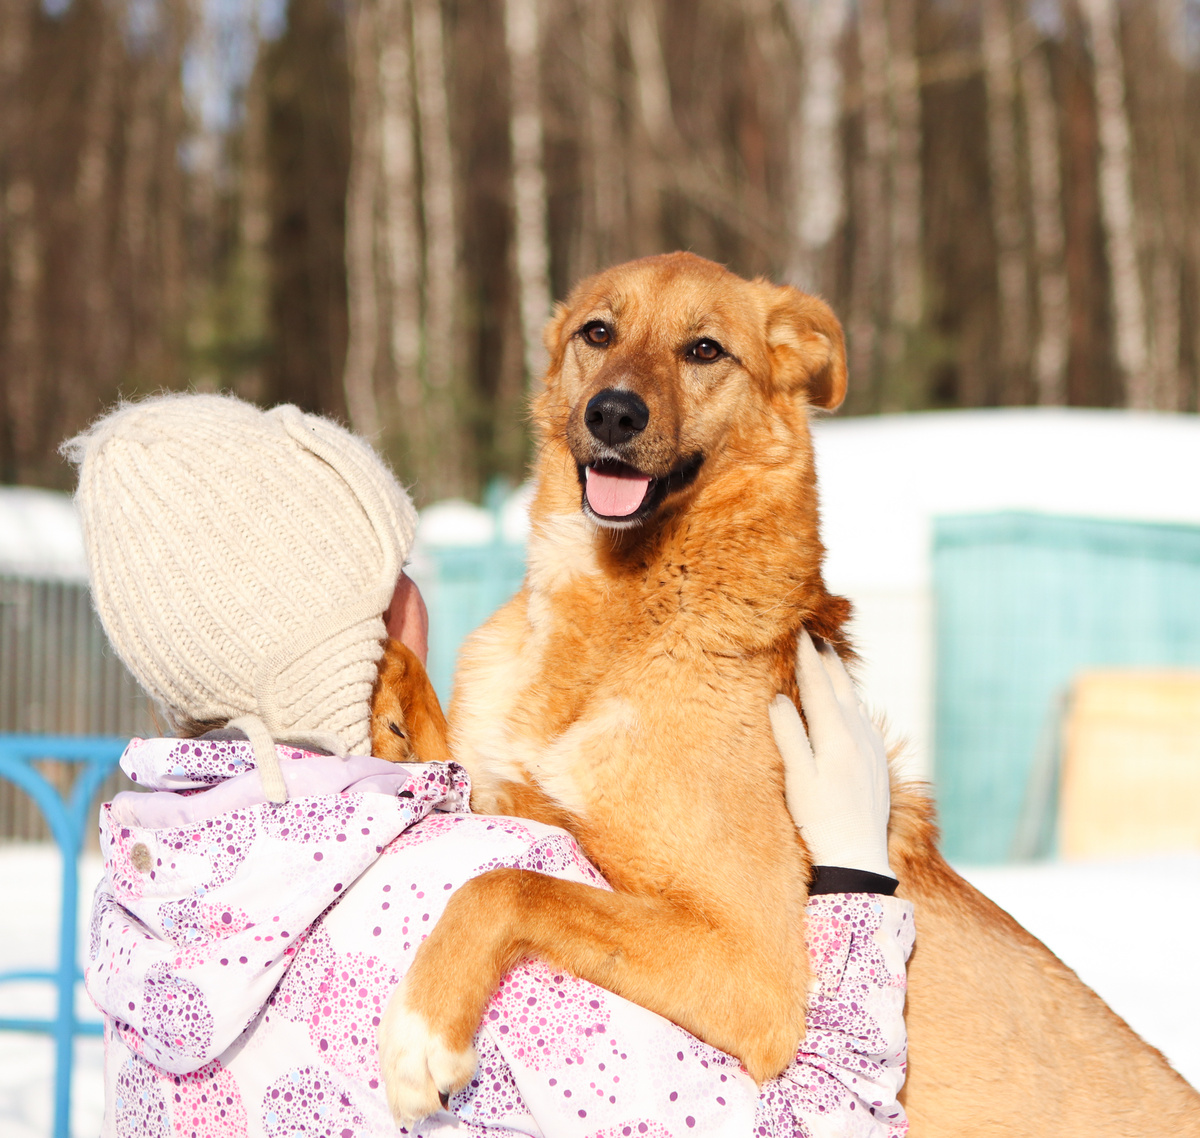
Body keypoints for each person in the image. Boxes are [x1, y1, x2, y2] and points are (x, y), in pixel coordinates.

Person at [64, 393, 913, 1137]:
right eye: (398, 570)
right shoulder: (485, 906)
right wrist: (855, 882)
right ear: (368, 623)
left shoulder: (140, 921)